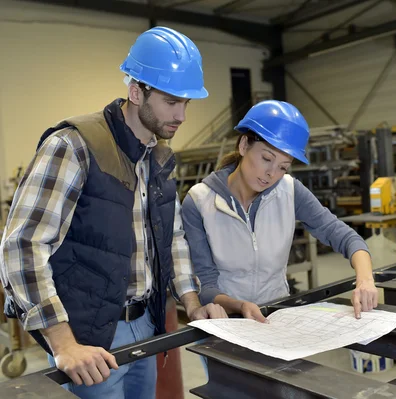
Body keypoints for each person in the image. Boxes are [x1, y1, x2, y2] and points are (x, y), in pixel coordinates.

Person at [0, 26, 227, 399]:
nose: (182, 115)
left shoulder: (158, 157)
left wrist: (192, 303)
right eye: (172, 101)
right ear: (137, 92)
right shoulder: (73, 146)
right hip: (92, 336)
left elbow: (172, 239)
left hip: (148, 325)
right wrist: (63, 343)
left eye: (187, 103)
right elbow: (22, 247)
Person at [181, 100, 379, 322]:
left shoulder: (290, 191)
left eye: (283, 167)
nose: (271, 174)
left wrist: (365, 279)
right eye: (266, 158)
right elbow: (206, 287)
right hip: (226, 321)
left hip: (276, 318)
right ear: (244, 145)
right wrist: (241, 306)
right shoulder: (199, 201)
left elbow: (342, 235)